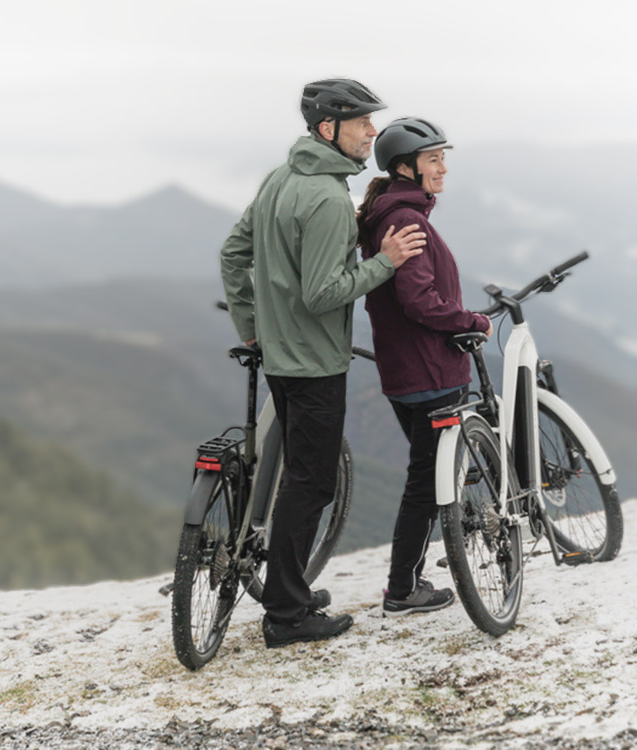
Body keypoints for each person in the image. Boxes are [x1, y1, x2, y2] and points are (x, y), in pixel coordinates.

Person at [221, 80, 426, 648]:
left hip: (280, 357)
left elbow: (234, 254)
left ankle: (290, 591)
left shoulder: (279, 180)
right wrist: (385, 262)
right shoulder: (330, 199)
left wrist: (253, 327)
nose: (372, 132)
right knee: (310, 486)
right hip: (314, 362)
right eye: (362, 122)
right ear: (328, 130)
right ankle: (287, 613)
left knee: (299, 479)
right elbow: (322, 293)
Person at [356, 117, 493, 617]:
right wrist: (471, 319)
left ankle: (408, 578)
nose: (443, 167)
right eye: (433, 159)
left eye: (442, 157)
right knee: (427, 482)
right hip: (430, 371)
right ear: (404, 167)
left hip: (407, 371)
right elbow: (419, 300)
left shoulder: (391, 212)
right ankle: (402, 588)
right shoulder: (406, 220)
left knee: (426, 476)